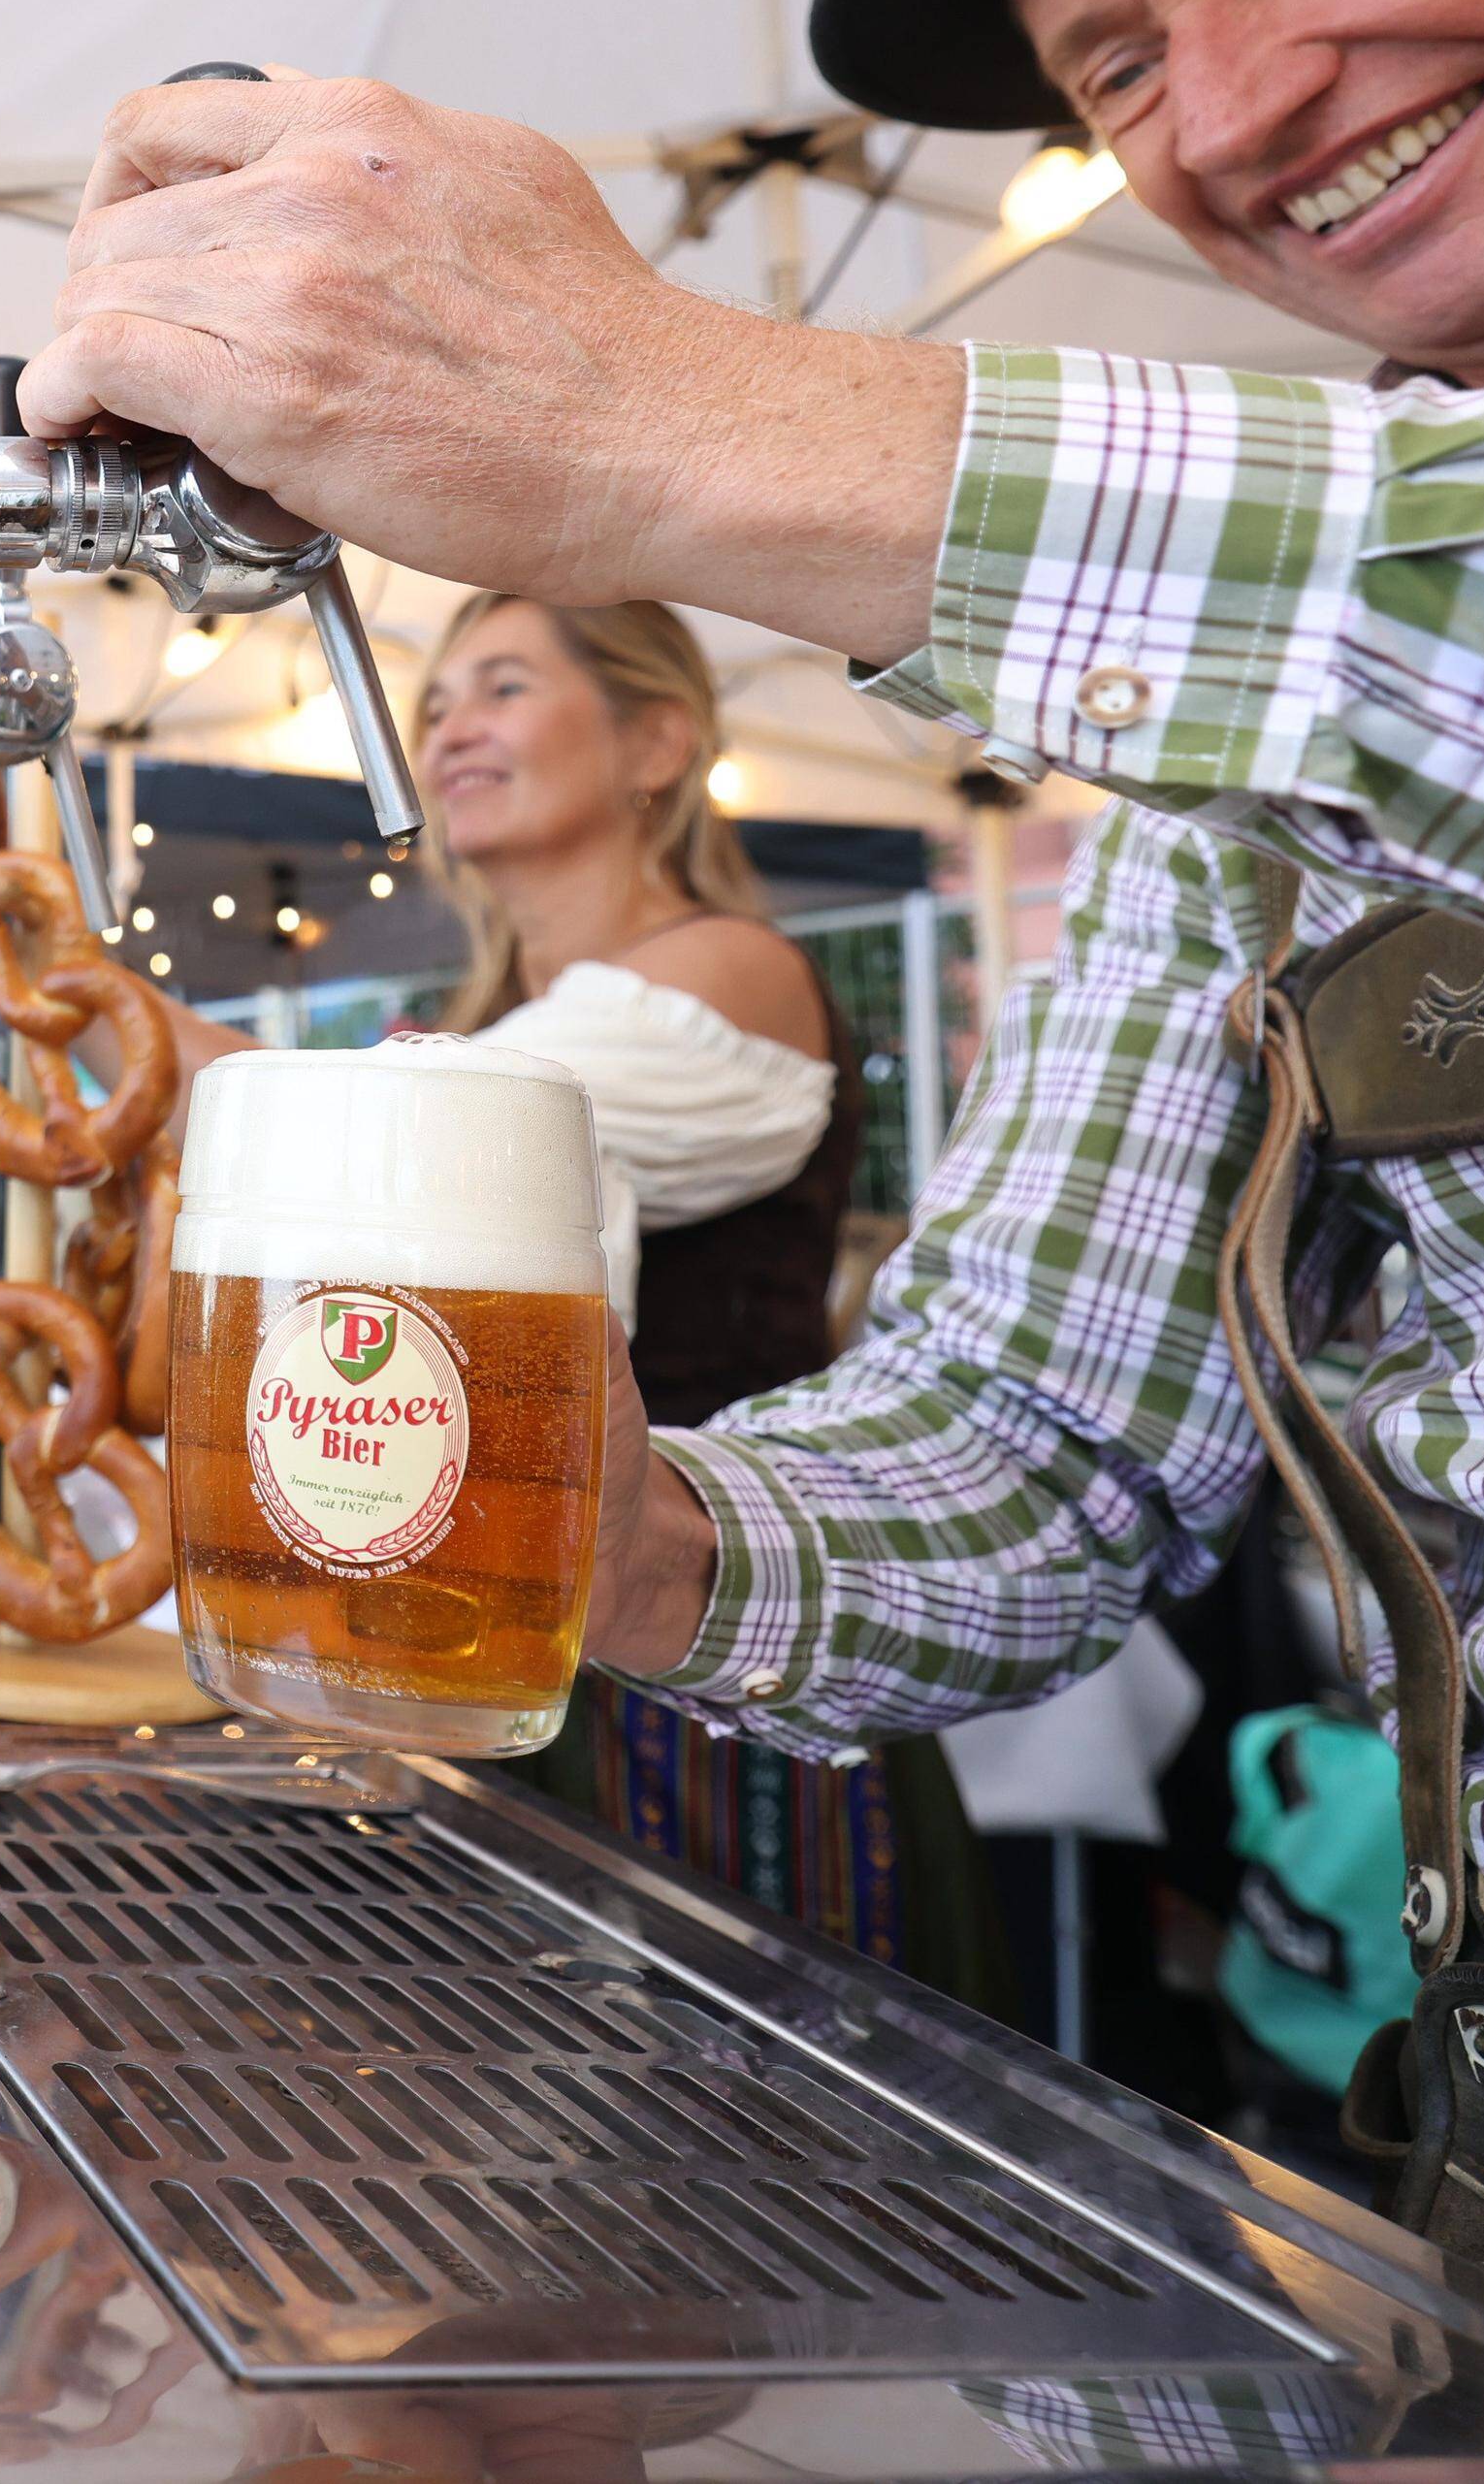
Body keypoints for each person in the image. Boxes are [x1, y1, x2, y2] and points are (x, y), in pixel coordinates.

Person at [22, 0, 1484, 2465]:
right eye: (1115, 66)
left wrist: (669, 412)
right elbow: (1041, 1438)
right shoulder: (1254, 718)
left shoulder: (1303, 595)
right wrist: (625, 1532)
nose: (1238, 112)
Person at [415, 595, 1003, 2011]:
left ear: (658, 742)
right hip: (510, 1634)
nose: (449, 727)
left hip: (717, 1653)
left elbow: (434, 1138)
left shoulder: (734, 971)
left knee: (732, 2104)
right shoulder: (483, 1019)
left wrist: (76, 990)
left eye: (503, 685)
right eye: (433, 703)